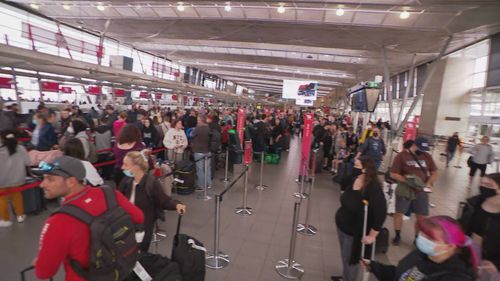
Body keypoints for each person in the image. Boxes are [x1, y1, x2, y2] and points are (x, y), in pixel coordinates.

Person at [33, 156, 144, 280]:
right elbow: (139, 217)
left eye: (50, 179)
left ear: (71, 181)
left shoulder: (58, 221)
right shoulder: (110, 194)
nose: (42, 184)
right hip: (121, 269)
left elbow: (44, 273)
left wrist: (39, 261)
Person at [364, 216, 478, 281]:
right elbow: (400, 274)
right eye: (422, 233)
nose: (421, 238)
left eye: (430, 238)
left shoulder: (456, 277)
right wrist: (374, 266)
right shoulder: (421, 254)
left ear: (449, 246)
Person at [331, 156, 387, 281]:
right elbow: (342, 182)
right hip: (342, 225)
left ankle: (349, 278)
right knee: (345, 256)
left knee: (351, 259)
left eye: (356, 166)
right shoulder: (354, 179)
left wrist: (372, 235)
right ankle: (345, 276)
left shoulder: (373, 188)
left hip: (355, 231)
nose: (353, 168)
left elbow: (380, 213)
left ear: (365, 169)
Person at [119, 150, 186, 252]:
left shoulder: (151, 183)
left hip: (143, 226)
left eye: (126, 165)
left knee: (139, 254)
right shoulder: (126, 182)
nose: (122, 167)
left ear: (136, 167)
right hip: (127, 226)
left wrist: (177, 204)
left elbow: (163, 200)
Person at [390, 138, 438, 246]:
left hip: (421, 191)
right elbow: (394, 173)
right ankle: (397, 235)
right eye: (421, 148)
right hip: (405, 190)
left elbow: (434, 172)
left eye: (424, 149)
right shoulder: (401, 156)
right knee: (399, 213)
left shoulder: (427, 156)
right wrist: (407, 181)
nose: (423, 151)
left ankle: (417, 238)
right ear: (414, 145)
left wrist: (429, 183)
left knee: (421, 217)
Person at [461, 173, 500, 276]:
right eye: (481, 184)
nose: (483, 187)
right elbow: (463, 225)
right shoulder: (473, 204)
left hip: (492, 261)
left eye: (488, 185)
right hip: (470, 251)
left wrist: (497, 264)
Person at [0, 130, 29, 227]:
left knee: (2, 199)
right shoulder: (21, 148)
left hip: (1, 180)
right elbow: (28, 162)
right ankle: (20, 216)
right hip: (17, 179)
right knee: (17, 197)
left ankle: (5, 220)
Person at [191, 115, 212, 189]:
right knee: (207, 168)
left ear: (200, 120)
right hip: (207, 151)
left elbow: (191, 135)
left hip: (198, 151)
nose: (197, 121)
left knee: (200, 169)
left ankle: (201, 185)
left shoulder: (197, 128)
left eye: (198, 120)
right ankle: (208, 183)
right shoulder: (208, 128)